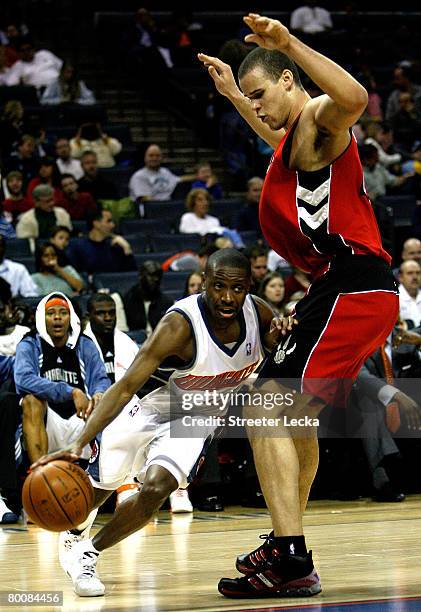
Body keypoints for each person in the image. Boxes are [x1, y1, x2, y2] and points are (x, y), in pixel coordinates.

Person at [198, 12, 399, 598]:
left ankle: (289, 556)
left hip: (352, 285)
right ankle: (288, 545)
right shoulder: (299, 142)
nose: (259, 108)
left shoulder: (318, 114)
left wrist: (289, 43)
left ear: (289, 80)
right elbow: (277, 142)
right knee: (290, 416)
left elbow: (354, 96)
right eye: (251, 100)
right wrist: (236, 96)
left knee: (265, 403)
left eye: (263, 94)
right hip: (342, 290)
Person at [31, 248, 295, 597]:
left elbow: (281, 365)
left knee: (157, 488)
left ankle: (87, 553)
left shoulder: (261, 315)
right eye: (218, 287)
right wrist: (81, 439)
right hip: (148, 408)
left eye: (237, 288)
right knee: (103, 485)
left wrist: (284, 337)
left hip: (197, 419)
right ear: (203, 284)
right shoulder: (179, 325)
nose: (227, 297)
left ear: (250, 286)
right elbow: (125, 386)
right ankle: (74, 532)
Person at [14, 292, 110, 464]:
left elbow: (101, 378)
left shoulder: (84, 344)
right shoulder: (29, 344)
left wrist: (99, 393)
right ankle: (39, 474)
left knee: (102, 404)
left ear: (71, 317)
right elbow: (23, 379)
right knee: (31, 401)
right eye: (51, 313)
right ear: (42, 318)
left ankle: (105, 475)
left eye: (63, 313)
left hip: (81, 419)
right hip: (48, 421)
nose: (57, 317)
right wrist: (70, 391)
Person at [66, 209, 136, 274]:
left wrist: (127, 249)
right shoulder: (76, 246)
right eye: (109, 221)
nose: (113, 225)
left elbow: (130, 276)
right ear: (96, 224)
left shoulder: (117, 245)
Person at [129, 144, 193, 207]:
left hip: (168, 207)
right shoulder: (139, 176)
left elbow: (179, 179)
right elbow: (146, 199)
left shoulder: (165, 172)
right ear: (145, 158)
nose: (154, 158)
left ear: (161, 158)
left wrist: (197, 177)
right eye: (151, 156)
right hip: (151, 210)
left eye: (157, 156)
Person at [123, 260, 173, 333]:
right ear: (141, 276)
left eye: (159, 276)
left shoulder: (166, 302)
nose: (156, 279)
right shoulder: (127, 299)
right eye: (152, 275)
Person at [398, 260, 421, 328]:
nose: (415, 277)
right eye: (410, 273)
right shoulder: (394, 298)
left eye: (418, 273)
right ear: (400, 277)